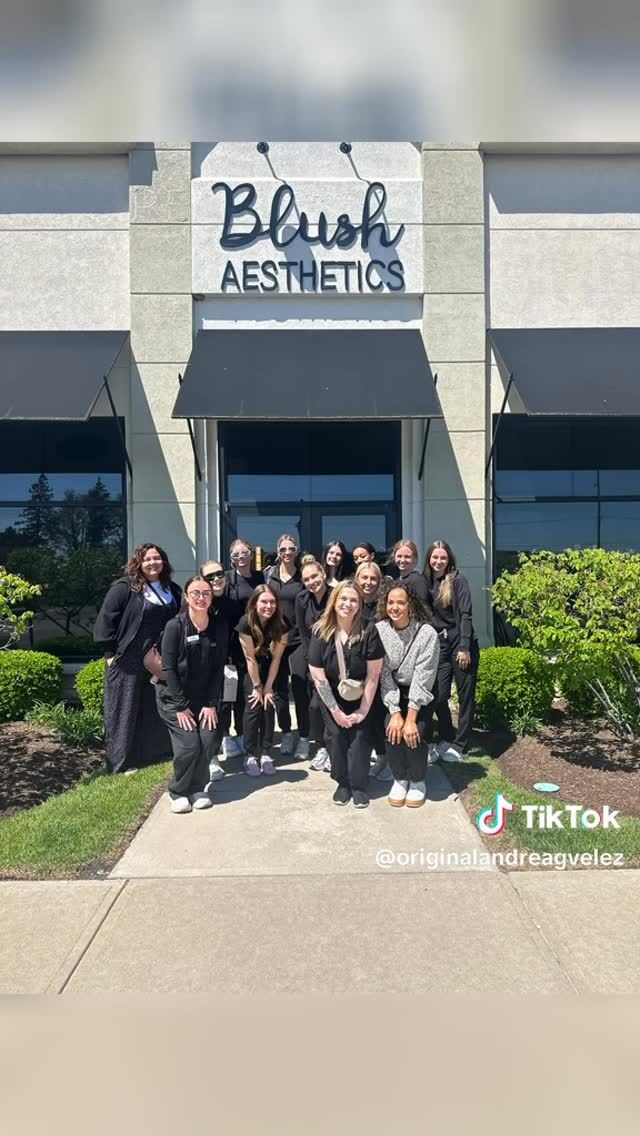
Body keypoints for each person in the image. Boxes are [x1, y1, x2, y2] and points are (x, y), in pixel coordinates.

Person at [94, 543, 182, 774]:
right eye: (147, 559)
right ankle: (121, 762)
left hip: (158, 658)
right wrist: (110, 655)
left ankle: (155, 753)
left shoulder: (172, 590)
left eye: (157, 558)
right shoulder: (124, 588)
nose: (153, 563)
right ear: (138, 563)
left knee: (154, 707)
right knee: (124, 710)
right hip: (128, 659)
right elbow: (106, 621)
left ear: (164, 562)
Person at [156, 575, 230, 814]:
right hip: (173, 698)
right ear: (187, 597)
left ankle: (198, 788)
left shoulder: (219, 626)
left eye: (206, 593)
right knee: (189, 744)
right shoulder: (175, 626)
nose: (201, 598)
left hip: (204, 699)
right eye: (195, 593)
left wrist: (211, 703)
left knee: (208, 741)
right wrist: (180, 705)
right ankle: (178, 791)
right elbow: (168, 669)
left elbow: (218, 668)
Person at [308, 579, 384, 809]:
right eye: (343, 598)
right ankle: (342, 783)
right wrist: (336, 711)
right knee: (335, 737)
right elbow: (318, 675)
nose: (347, 604)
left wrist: (363, 710)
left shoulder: (369, 630)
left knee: (360, 739)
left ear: (360, 604)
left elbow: (374, 673)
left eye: (353, 600)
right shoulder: (321, 631)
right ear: (334, 600)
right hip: (331, 695)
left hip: (362, 694)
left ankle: (359, 785)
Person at [376, 582, 439, 808]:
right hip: (393, 689)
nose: (395, 607)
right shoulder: (380, 630)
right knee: (391, 730)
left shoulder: (427, 633)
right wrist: (395, 712)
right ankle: (400, 777)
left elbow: (424, 676)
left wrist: (410, 718)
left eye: (400, 602)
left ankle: (418, 780)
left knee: (414, 733)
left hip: (421, 691)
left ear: (410, 605)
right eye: (390, 602)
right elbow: (383, 672)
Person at [422, 540, 479, 763]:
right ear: (429, 559)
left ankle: (460, 745)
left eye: (443, 557)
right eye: (435, 557)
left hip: (461, 643)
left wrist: (464, 646)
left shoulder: (457, 580)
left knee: (465, 696)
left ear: (449, 560)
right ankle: (447, 734)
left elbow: (466, 614)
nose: (438, 561)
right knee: (438, 695)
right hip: (440, 644)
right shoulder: (426, 582)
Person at [215, 540, 265, 760]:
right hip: (228, 643)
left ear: (251, 554)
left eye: (244, 553)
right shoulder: (225, 579)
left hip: (252, 642)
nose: (241, 557)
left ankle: (243, 733)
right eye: (236, 554)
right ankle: (226, 736)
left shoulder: (260, 578)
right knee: (228, 692)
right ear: (231, 558)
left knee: (246, 692)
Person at [237, 585, 289, 776]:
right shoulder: (246, 622)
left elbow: (277, 658)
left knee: (268, 704)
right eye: (264, 601)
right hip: (251, 669)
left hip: (271, 668)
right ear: (255, 603)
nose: (269, 606)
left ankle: (266, 752)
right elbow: (250, 658)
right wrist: (257, 687)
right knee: (253, 705)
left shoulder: (282, 624)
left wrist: (268, 688)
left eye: (272, 602)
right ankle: (250, 754)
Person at [264, 533, 307, 757]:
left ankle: (304, 737)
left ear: (297, 551)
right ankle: (287, 733)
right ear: (278, 551)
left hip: (298, 641)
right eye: (283, 549)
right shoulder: (268, 576)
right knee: (279, 691)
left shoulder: (303, 576)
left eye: (291, 549)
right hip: (276, 640)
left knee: (300, 689)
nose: (287, 553)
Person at [199, 558, 242, 780]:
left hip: (226, 663)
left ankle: (225, 738)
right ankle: (212, 759)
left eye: (219, 574)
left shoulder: (231, 604)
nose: (216, 579)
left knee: (224, 705)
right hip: (202, 666)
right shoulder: (198, 603)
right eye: (210, 576)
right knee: (209, 709)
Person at [295, 559, 331, 771]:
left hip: (336, 657)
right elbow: (303, 632)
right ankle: (321, 746)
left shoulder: (336, 595)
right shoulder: (302, 599)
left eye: (314, 576)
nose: (311, 582)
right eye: (307, 579)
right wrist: (312, 661)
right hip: (314, 658)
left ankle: (335, 748)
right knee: (315, 706)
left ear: (323, 574)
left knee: (334, 703)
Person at [354, 560, 388, 775]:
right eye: (364, 577)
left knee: (378, 715)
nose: (368, 582)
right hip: (357, 667)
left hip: (382, 667)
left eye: (373, 578)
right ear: (357, 579)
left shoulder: (385, 605)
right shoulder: (351, 601)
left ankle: (384, 757)